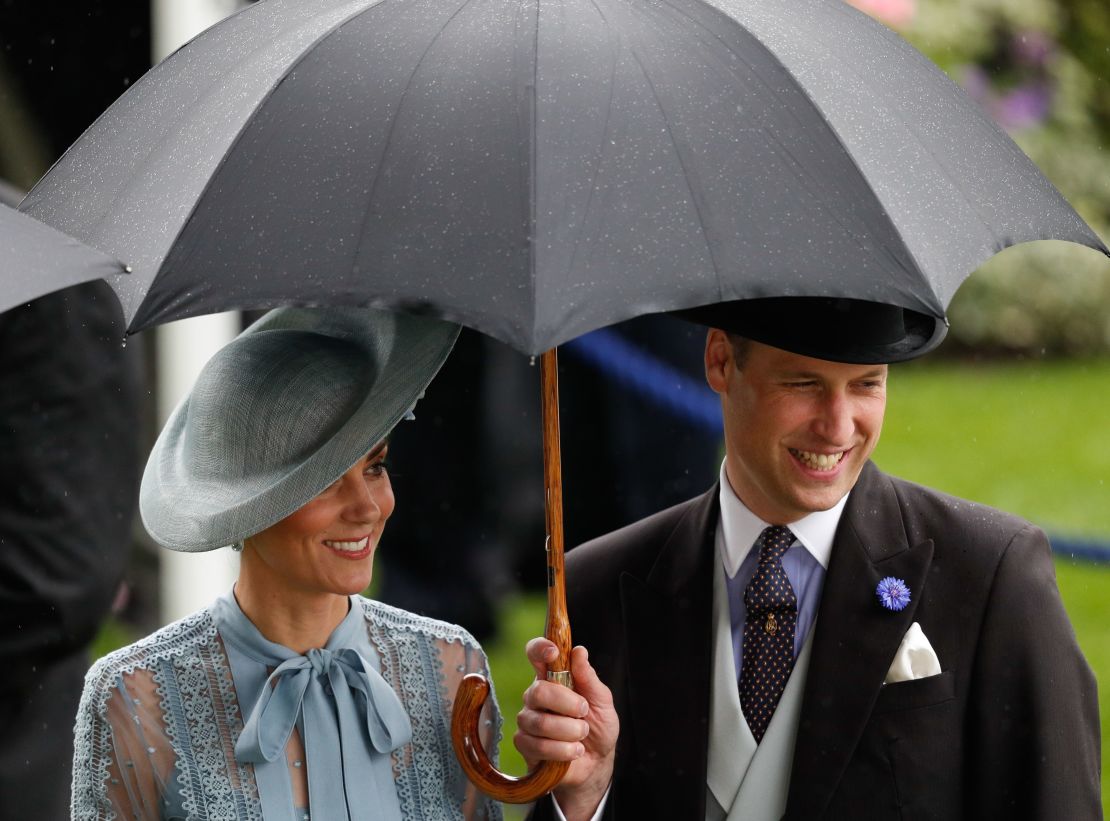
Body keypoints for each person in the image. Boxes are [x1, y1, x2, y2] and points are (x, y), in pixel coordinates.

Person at [518, 297, 1101, 820]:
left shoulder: (991, 573)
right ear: (720, 360)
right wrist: (583, 799)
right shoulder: (597, 584)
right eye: (803, 384)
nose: (838, 427)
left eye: (867, 385)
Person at [70, 306, 586, 820]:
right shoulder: (135, 695)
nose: (367, 508)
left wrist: (578, 794)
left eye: (375, 467)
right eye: (325, 479)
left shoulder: (451, 667)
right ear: (246, 501)